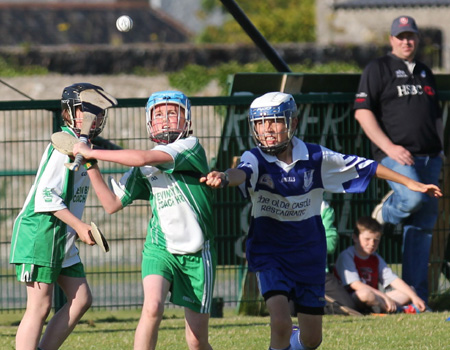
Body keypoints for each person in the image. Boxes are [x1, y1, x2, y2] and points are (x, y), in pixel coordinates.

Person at [200, 91, 441, 350]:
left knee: (312, 340)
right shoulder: (255, 158)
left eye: (274, 121)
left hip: (308, 254)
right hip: (270, 251)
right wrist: (224, 177)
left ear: (293, 123)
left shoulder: (316, 158)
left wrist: (410, 182)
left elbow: (366, 167)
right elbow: (241, 173)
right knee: (279, 322)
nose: (266, 129)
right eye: (259, 123)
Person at [72, 90, 216, 350]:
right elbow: (111, 204)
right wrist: (90, 164)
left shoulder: (189, 147)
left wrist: (93, 152)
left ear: (187, 121)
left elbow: (141, 157)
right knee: (152, 308)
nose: (165, 119)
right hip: (159, 247)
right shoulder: (143, 168)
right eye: (158, 114)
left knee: (196, 342)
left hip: (197, 252)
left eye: (172, 113)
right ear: (149, 122)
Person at [10, 83, 117, 350]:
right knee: (40, 305)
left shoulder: (85, 147)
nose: (92, 117)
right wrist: (80, 226)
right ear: (69, 113)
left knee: (81, 299)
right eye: (85, 110)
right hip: (41, 232)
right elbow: (45, 198)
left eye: (97, 111)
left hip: (62, 235)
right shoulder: (64, 146)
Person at [353, 15, 443, 303]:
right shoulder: (378, 68)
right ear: (391, 39)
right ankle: (386, 212)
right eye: (401, 36)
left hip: (430, 158)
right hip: (397, 157)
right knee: (413, 200)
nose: (407, 41)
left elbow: (436, 115)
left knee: (423, 226)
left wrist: (440, 147)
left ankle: (417, 296)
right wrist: (389, 147)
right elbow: (362, 112)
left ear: (417, 38)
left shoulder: (425, 71)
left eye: (411, 36)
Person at [334, 216, 427, 314]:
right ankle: (393, 309)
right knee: (365, 294)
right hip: (352, 299)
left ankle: (383, 308)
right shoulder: (347, 256)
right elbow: (356, 285)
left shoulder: (375, 258)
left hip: (376, 298)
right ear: (355, 238)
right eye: (367, 239)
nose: (372, 243)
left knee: (410, 290)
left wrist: (415, 297)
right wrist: (384, 297)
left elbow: (393, 279)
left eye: (376, 240)